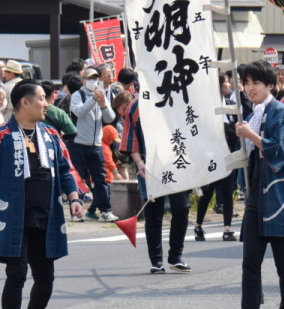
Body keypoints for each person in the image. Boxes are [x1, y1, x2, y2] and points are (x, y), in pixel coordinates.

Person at [0, 82, 85, 309]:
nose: (47, 104)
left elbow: (66, 170)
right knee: (16, 274)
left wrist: (75, 198)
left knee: (46, 279)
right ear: (25, 102)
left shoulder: (51, 135)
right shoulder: (0, 137)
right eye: (42, 99)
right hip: (13, 218)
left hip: (47, 215)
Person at [226, 60, 284, 309]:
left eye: (254, 83)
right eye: (246, 83)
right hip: (257, 197)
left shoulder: (281, 113)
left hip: (281, 197)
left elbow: (279, 152)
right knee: (250, 263)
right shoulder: (254, 114)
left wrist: (250, 135)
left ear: (270, 85)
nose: (249, 88)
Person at [121, 95, 192, 273]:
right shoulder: (135, 106)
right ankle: (156, 260)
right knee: (154, 211)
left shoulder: (180, 97)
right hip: (149, 165)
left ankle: (176, 256)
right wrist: (139, 163)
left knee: (181, 207)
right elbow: (132, 142)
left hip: (177, 162)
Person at [70, 68, 118, 222]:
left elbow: (110, 118)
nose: (93, 81)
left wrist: (103, 104)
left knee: (100, 179)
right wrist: (93, 100)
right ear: (83, 80)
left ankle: (105, 211)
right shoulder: (78, 95)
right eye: (90, 78)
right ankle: (75, 211)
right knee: (78, 178)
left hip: (96, 144)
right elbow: (79, 112)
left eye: (96, 78)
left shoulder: (102, 94)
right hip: (78, 143)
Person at [196, 73, 240, 242]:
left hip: (228, 154)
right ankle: (198, 225)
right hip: (211, 156)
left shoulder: (230, 105)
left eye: (229, 82)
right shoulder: (207, 108)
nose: (228, 85)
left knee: (228, 192)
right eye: (225, 83)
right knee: (208, 192)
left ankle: (227, 228)